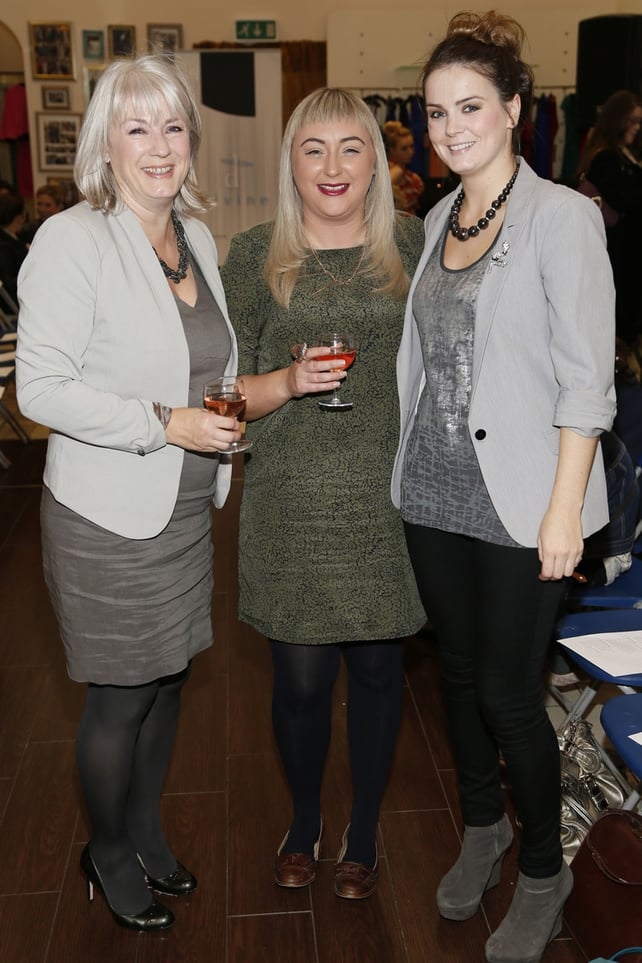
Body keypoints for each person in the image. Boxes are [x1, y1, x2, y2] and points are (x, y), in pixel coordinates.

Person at [391, 11, 616, 963]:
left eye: (470, 107)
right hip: (436, 492)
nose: (450, 128)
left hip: (528, 499)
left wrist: (565, 506)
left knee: (514, 697)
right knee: (461, 673)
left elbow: (585, 376)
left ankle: (542, 869)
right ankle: (481, 826)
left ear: (516, 110)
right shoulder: (441, 217)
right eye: (437, 112)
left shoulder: (562, 215)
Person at [16, 54, 244, 932]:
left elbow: (207, 366)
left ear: (192, 139)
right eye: (137, 127)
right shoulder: (71, 240)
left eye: (173, 126)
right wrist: (167, 422)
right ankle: (105, 851)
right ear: (106, 144)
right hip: (107, 517)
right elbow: (38, 388)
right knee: (119, 692)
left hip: (185, 513)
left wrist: (214, 423)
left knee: (170, 678)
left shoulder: (199, 240)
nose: (158, 146)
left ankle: (144, 831)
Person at [220, 87, 426, 900]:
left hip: (389, 498)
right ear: (291, 162)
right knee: (301, 682)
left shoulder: (412, 243)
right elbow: (221, 388)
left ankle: (364, 830)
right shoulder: (253, 253)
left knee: (379, 674)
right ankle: (304, 817)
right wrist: (287, 379)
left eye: (351, 147)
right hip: (290, 499)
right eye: (314, 148)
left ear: (377, 158)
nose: (333, 166)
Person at [577, 90, 642, 346]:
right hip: (617, 252)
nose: (636, 128)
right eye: (631, 121)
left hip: (628, 252)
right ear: (616, 120)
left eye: (639, 122)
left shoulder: (627, 155)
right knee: (619, 316)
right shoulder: (606, 156)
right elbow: (622, 198)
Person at [382, 119, 426, 215]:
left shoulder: (413, 178)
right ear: (391, 150)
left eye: (411, 146)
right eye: (404, 149)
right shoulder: (383, 172)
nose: (410, 152)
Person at [0, 191, 28, 304]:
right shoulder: (4, 245)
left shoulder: (15, 237)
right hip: (13, 303)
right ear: (18, 217)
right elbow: (9, 282)